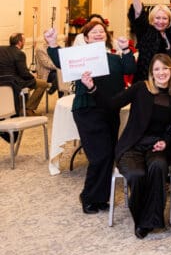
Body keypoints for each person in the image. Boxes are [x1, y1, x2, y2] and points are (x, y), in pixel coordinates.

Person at [84, 54, 171, 238]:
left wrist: (166, 142)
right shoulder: (140, 88)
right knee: (137, 175)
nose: (161, 73)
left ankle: (150, 220)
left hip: (157, 147)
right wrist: (92, 88)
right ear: (151, 72)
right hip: (132, 145)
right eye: (157, 69)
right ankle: (142, 219)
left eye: (165, 68)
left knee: (158, 167)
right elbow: (112, 104)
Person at [44, 24, 135, 214]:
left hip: (110, 110)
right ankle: (88, 196)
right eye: (93, 32)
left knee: (108, 155)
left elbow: (129, 67)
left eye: (101, 31)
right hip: (88, 109)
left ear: (106, 36)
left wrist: (126, 49)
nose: (98, 33)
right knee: (99, 155)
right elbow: (61, 61)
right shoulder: (81, 57)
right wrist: (52, 43)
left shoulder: (114, 58)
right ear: (86, 38)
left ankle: (100, 198)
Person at [0, 33, 47, 116]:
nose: (24, 42)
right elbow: (24, 74)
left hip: (2, 81)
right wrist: (33, 76)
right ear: (20, 42)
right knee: (43, 84)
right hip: (14, 82)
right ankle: (29, 109)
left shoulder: (2, 49)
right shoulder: (20, 53)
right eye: (24, 40)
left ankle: (23, 106)